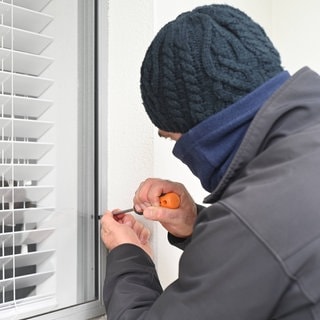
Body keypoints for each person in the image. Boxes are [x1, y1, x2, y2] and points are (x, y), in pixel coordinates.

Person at [100, 4, 320, 319]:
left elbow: (257, 236)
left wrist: (128, 256)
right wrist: (197, 225)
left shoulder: (251, 220)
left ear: (204, 130)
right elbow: (274, 259)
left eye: (170, 137)